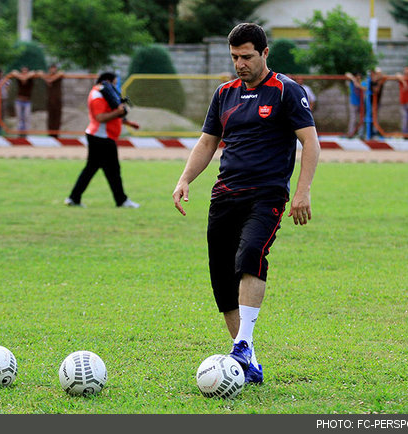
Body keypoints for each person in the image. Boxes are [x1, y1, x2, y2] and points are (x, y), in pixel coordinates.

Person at [172, 23, 320, 385]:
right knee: (222, 277)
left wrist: (302, 192)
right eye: (235, 57)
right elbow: (207, 143)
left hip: (267, 194)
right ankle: (247, 359)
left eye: (247, 57)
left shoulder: (286, 90)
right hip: (225, 195)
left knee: (251, 254)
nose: (240, 64)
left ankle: (242, 345)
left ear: (265, 54)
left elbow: (311, 144)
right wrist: (185, 179)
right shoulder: (224, 93)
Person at [65, 71, 141, 209]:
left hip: (103, 137)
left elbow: (110, 112)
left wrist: (127, 122)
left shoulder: (104, 93)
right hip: (101, 138)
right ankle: (121, 200)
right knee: (112, 170)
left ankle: (74, 198)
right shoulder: (98, 94)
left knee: (94, 169)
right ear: (107, 81)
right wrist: (119, 112)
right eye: (114, 83)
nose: (115, 86)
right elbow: (100, 117)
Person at [11, 66, 36, 136]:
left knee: (27, 117)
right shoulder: (19, 78)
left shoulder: (30, 79)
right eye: (23, 71)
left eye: (26, 71)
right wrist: (22, 77)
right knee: (19, 118)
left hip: (27, 101)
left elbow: (33, 73)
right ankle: (19, 134)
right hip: (19, 100)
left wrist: (25, 77)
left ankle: (26, 134)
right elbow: (14, 72)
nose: (24, 73)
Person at [41, 64, 64, 137]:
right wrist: (46, 78)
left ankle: (56, 134)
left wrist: (47, 79)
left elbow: (61, 73)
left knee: (57, 118)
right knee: (50, 118)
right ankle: (50, 134)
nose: (53, 70)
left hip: (58, 100)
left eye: (54, 68)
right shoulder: (47, 76)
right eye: (51, 68)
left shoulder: (58, 75)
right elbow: (40, 73)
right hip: (50, 100)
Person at [344, 71, 366, 138]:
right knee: (353, 119)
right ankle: (350, 133)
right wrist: (353, 79)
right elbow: (347, 74)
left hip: (361, 104)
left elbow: (364, 88)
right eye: (357, 76)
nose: (358, 78)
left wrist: (358, 84)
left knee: (361, 119)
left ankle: (361, 134)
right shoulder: (352, 82)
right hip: (353, 103)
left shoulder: (363, 83)